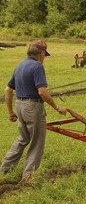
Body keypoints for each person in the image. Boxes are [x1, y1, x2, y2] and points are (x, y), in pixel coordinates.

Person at [0, 39, 67, 181]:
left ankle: (4, 168)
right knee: (37, 142)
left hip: (20, 105)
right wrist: (57, 106)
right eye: (44, 55)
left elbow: (8, 90)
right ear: (41, 53)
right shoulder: (37, 66)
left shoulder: (20, 65)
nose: (44, 59)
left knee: (22, 138)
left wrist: (10, 112)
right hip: (33, 107)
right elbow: (42, 92)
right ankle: (28, 177)